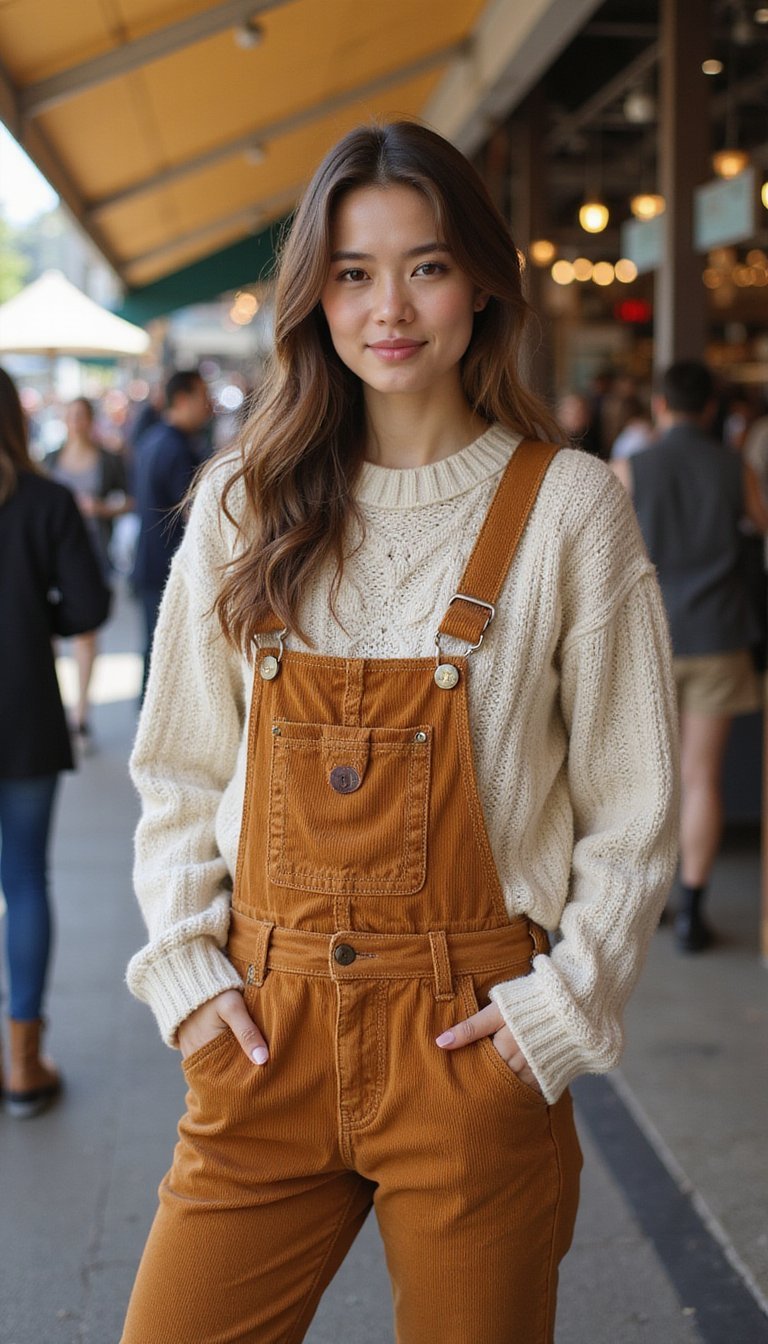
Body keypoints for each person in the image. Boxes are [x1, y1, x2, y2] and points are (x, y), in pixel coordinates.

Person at [121, 122, 678, 1344]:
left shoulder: (571, 509)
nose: (391, 308)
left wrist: (561, 1011)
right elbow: (178, 772)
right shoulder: (242, 504)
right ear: (314, 296)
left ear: (479, 281)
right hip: (263, 1037)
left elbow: (634, 810)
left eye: (426, 266)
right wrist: (190, 980)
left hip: (472, 1048)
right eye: (353, 272)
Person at [613, 360, 768, 953]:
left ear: (659, 405)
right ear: (709, 408)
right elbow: (761, 525)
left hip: (647, 639)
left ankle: (648, 904)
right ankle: (692, 915)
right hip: (718, 635)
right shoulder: (735, 465)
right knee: (701, 776)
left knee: (644, 776)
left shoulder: (631, 468)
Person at [0, 368, 110, 1118]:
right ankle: (23, 1064)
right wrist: (35, 611)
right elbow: (88, 607)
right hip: (24, 712)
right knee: (25, 880)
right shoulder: (46, 502)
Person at [47, 396, 131, 750]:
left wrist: (100, 509)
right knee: (48, 636)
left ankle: (80, 716)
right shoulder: (50, 459)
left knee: (86, 635)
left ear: (91, 420)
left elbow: (129, 500)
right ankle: (56, 709)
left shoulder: (108, 459)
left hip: (93, 557)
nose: (76, 422)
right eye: (71, 416)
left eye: (81, 416)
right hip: (51, 558)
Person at [130, 369, 212, 694]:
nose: (208, 404)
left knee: (154, 653)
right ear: (182, 399)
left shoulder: (153, 440)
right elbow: (194, 513)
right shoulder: (176, 448)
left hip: (151, 563)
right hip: (168, 566)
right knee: (166, 660)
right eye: (202, 396)